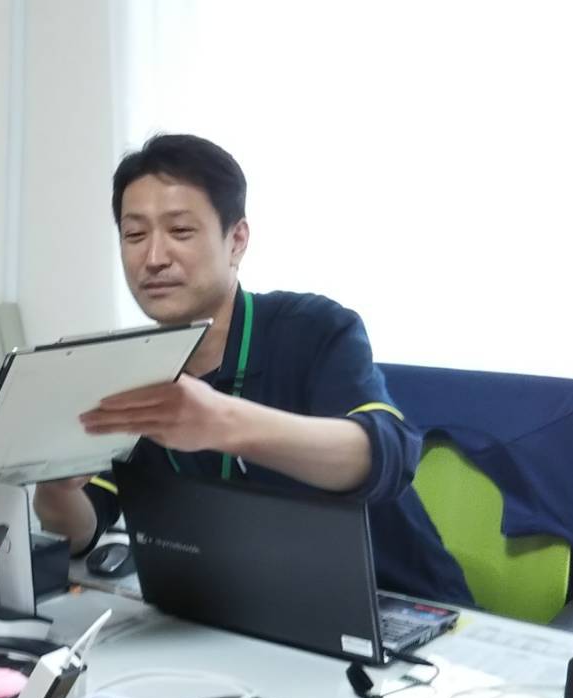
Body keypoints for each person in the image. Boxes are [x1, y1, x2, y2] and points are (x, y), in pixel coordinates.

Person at [33, 133, 471, 607]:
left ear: (236, 240)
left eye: (180, 231)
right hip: (248, 611)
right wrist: (56, 483)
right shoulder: (135, 369)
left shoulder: (312, 329)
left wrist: (223, 423)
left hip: (403, 607)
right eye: (134, 235)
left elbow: (386, 454)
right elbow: (81, 531)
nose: (154, 258)